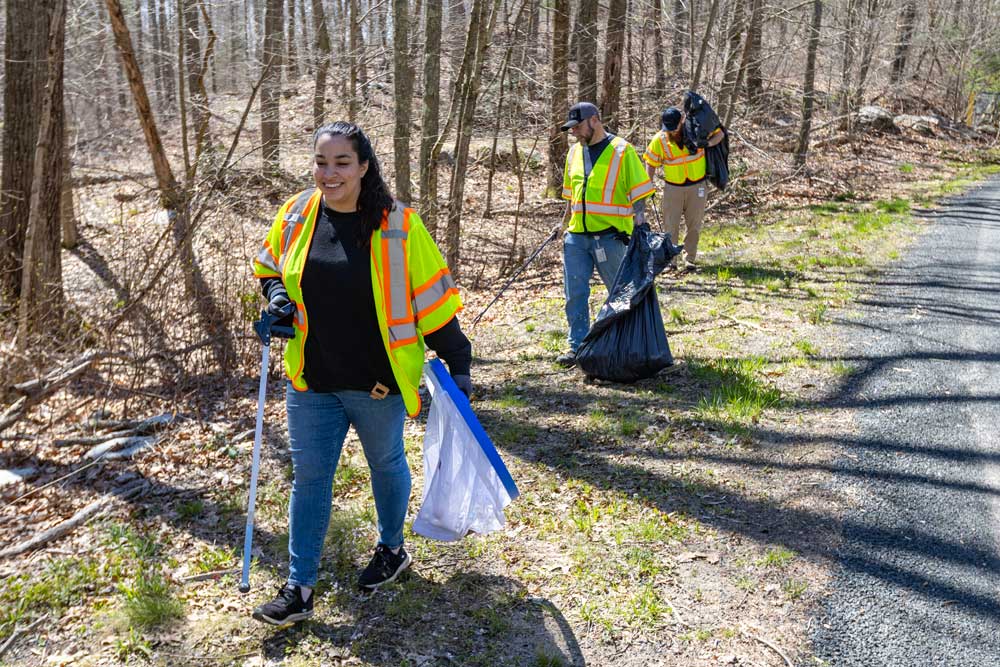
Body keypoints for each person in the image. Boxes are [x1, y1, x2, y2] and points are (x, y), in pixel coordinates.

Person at [250, 121, 473, 625]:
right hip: (311, 380)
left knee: (386, 465)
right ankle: (299, 586)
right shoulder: (295, 215)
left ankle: (392, 548)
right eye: (322, 162)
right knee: (309, 479)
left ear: (365, 166)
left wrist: (458, 361)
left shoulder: (399, 225)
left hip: (377, 383)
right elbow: (269, 269)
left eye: (342, 163)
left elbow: (433, 304)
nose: (330, 173)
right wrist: (279, 299)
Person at [556, 102, 655, 368]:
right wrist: (562, 225)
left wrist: (640, 223)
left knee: (621, 294)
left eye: (578, 127)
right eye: (572, 128)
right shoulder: (573, 153)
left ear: (595, 120)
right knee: (575, 293)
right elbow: (571, 195)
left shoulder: (622, 151)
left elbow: (640, 191)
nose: (574, 132)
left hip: (611, 237)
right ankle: (576, 346)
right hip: (577, 236)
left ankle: (630, 345)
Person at [643, 107, 722, 272]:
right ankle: (671, 261)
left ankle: (689, 259)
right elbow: (650, 162)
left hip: (697, 186)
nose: (671, 131)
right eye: (668, 127)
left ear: (683, 120)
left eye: (674, 126)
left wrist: (706, 143)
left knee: (694, 224)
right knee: (670, 226)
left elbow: (720, 134)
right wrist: (647, 185)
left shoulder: (697, 130)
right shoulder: (660, 139)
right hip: (673, 188)